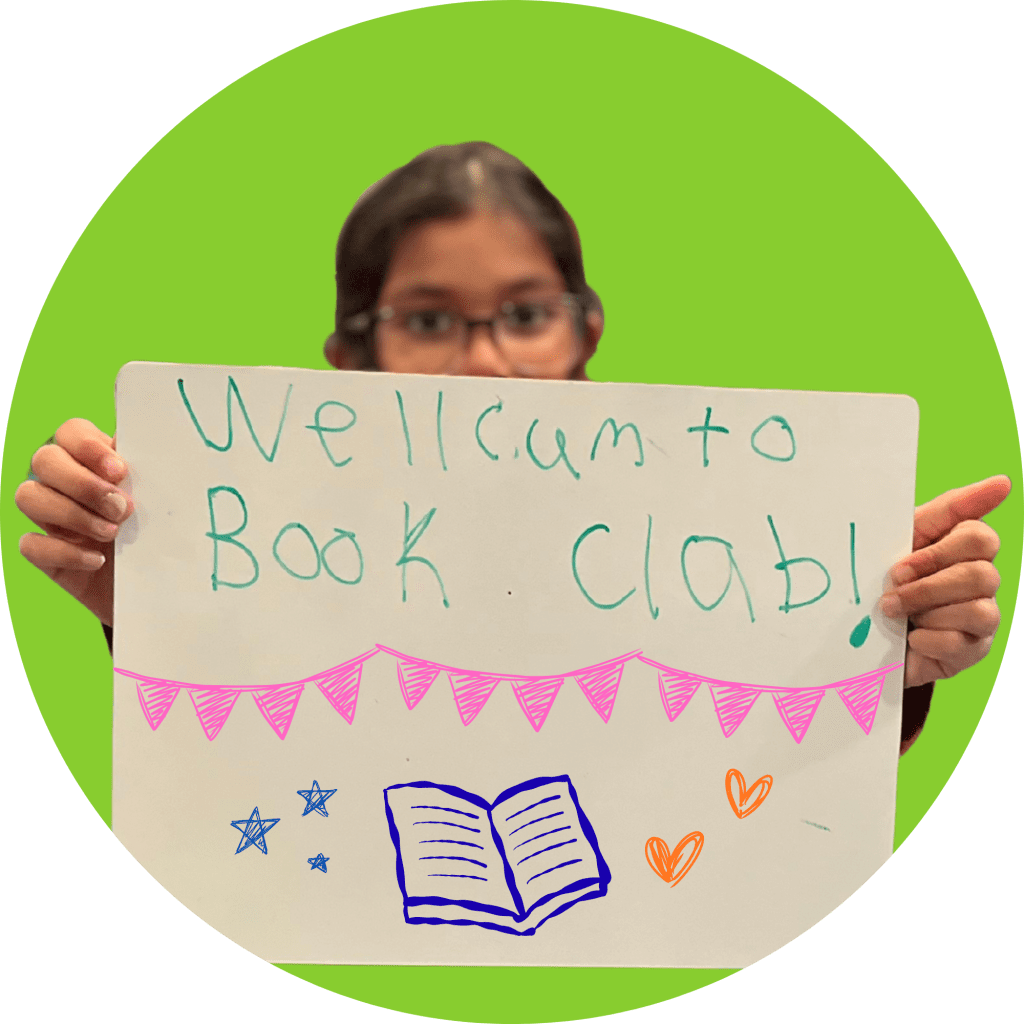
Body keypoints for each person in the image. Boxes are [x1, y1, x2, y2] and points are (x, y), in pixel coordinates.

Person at [14, 141, 1010, 753]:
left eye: (526, 314)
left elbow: (758, 760)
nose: (487, 363)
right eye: (428, 321)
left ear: (586, 332)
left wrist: (891, 644)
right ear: (349, 358)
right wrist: (141, 600)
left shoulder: (715, 536)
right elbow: (236, 762)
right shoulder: (264, 540)